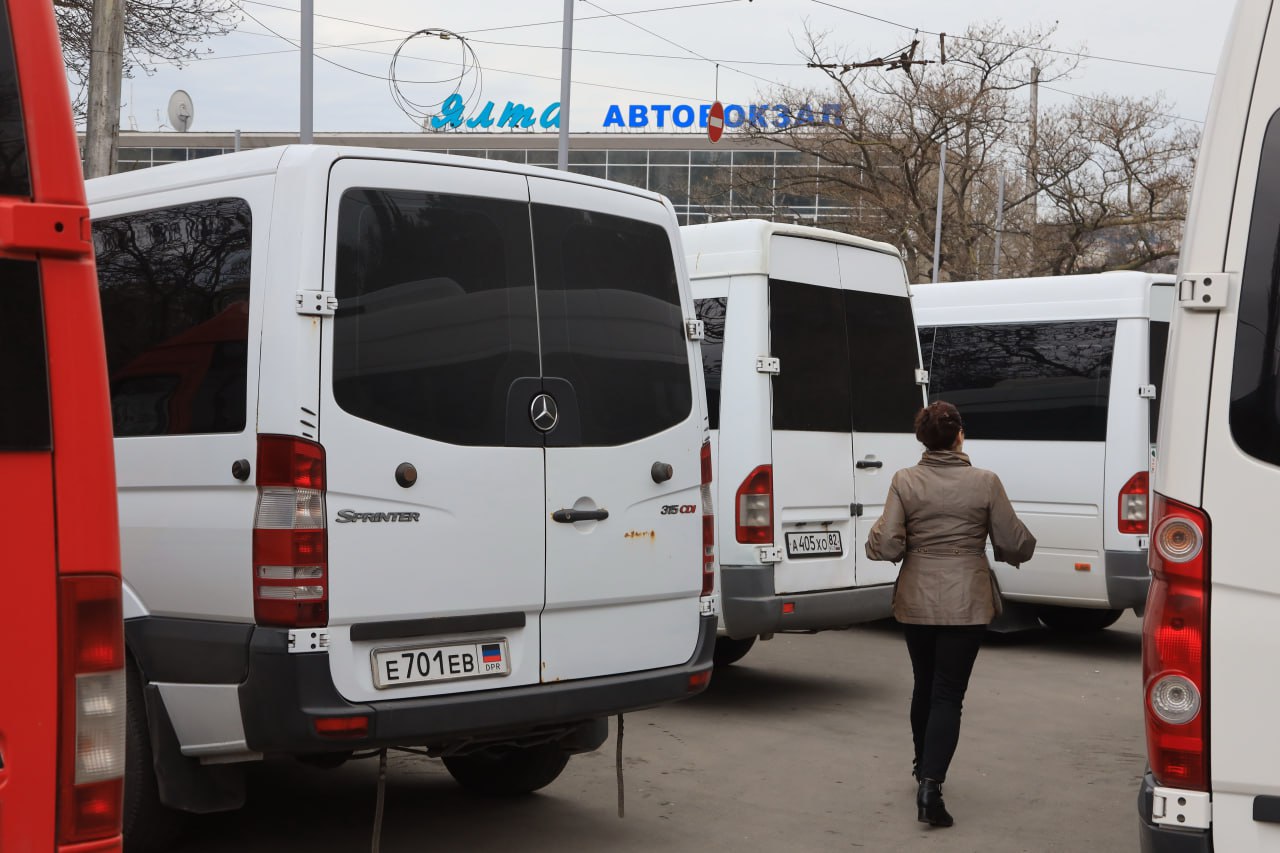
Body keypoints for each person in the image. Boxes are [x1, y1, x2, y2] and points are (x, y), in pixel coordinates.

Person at [865, 400, 1036, 828]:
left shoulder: (905, 480)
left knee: (924, 684)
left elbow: (886, 545)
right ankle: (931, 785)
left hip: (916, 597)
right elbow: (1016, 543)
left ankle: (921, 765)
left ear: (922, 439)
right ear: (960, 434)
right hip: (967, 601)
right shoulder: (985, 482)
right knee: (947, 694)